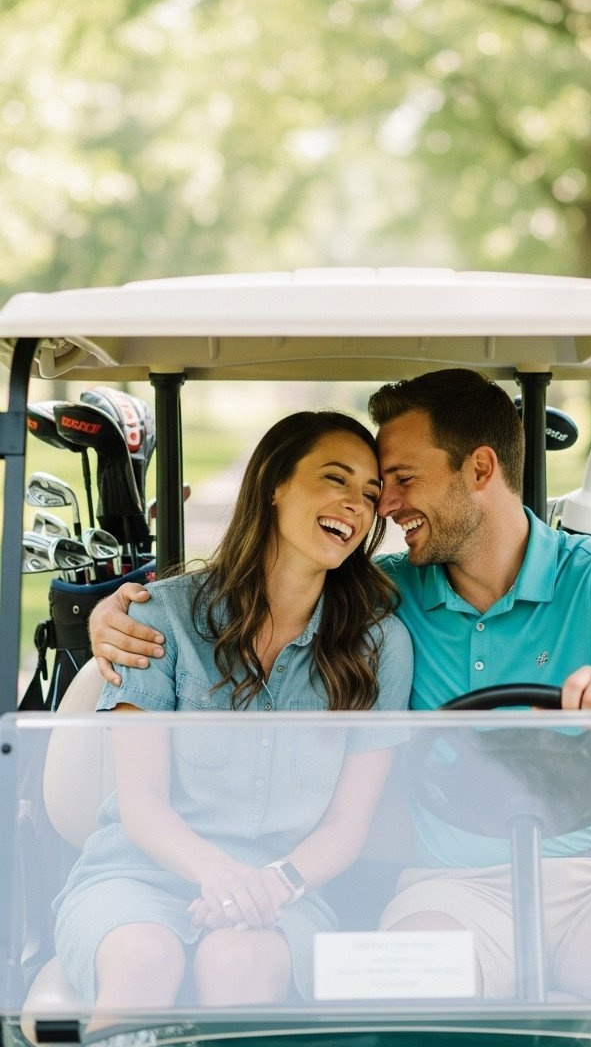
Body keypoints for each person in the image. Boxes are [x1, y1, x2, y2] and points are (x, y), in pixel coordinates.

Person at [89, 369, 591, 1007]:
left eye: (401, 480)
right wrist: (109, 616)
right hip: (460, 888)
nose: (387, 506)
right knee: (410, 974)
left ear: (480, 470)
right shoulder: (384, 600)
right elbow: (278, 588)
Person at [52, 411, 413, 1022]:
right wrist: (218, 874)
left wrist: (271, 884)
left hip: (282, 893)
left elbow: (347, 827)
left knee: (237, 964)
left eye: (371, 494)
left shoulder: (378, 644)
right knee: (144, 961)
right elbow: (141, 803)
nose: (356, 505)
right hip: (138, 877)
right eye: (335, 479)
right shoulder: (158, 618)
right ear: (274, 483)